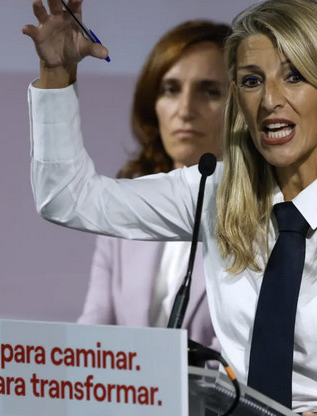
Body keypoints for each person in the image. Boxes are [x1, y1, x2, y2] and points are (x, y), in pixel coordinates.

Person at [22, 0, 317, 416]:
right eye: (251, 81)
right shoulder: (214, 191)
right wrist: (56, 73)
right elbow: (68, 199)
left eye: (294, 76)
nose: (270, 101)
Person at [77, 20, 230, 352]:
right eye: (171, 89)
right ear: (153, 105)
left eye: (209, 91)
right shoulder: (127, 206)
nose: (185, 110)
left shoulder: (265, 213)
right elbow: (92, 335)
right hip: (124, 387)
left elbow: (243, 356)